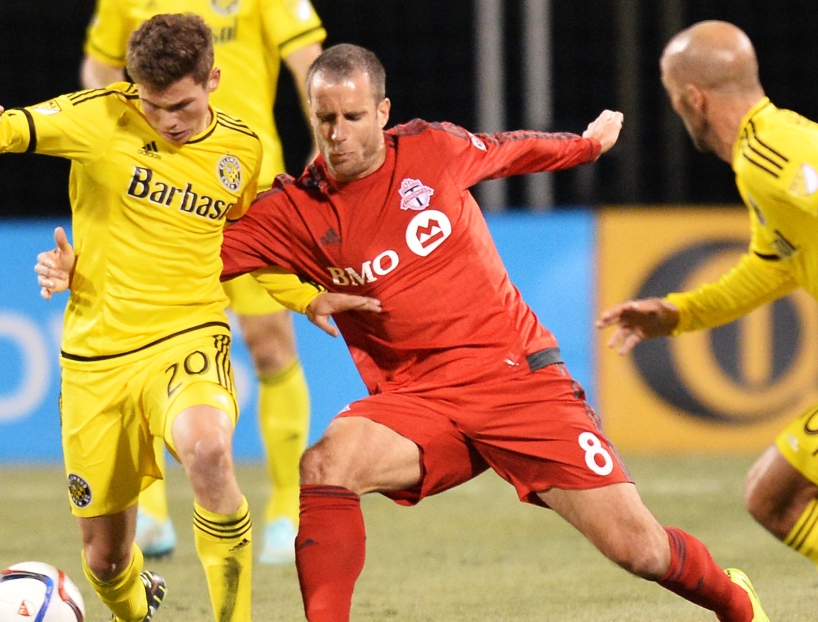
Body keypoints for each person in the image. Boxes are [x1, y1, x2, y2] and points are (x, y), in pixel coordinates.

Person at [40, 42, 770, 621]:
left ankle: (732, 600)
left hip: (517, 379)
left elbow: (512, 148)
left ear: (381, 112)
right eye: (324, 118)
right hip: (418, 401)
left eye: (354, 117)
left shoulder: (433, 150)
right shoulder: (289, 211)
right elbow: (188, 259)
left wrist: (583, 146)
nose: (338, 133)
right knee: (324, 467)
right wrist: (86, 269)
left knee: (638, 549)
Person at [0, 14, 374, 622]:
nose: (166, 119)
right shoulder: (98, 117)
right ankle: (138, 610)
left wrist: (305, 295)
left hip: (189, 335)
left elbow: (246, 247)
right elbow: (6, 131)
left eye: (179, 104)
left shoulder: (241, 149)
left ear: (213, 80)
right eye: (151, 105)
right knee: (103, 561)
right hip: (97, 359)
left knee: (207, 451)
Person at [79, 0, 327, 564]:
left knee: (270, 345)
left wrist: (319, 144)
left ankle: (287, 510)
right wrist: (111, 141)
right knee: (142, 351)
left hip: (246, 191)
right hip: (157, 195)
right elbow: (98, 68)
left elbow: (307, 60)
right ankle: (153, 515)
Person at [598, 20, 818, 586]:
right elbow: (768, 268)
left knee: (775, 497)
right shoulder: (767, 158)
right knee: (773, 496)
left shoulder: (772, 153)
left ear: (691, 99)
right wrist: (681, 314)